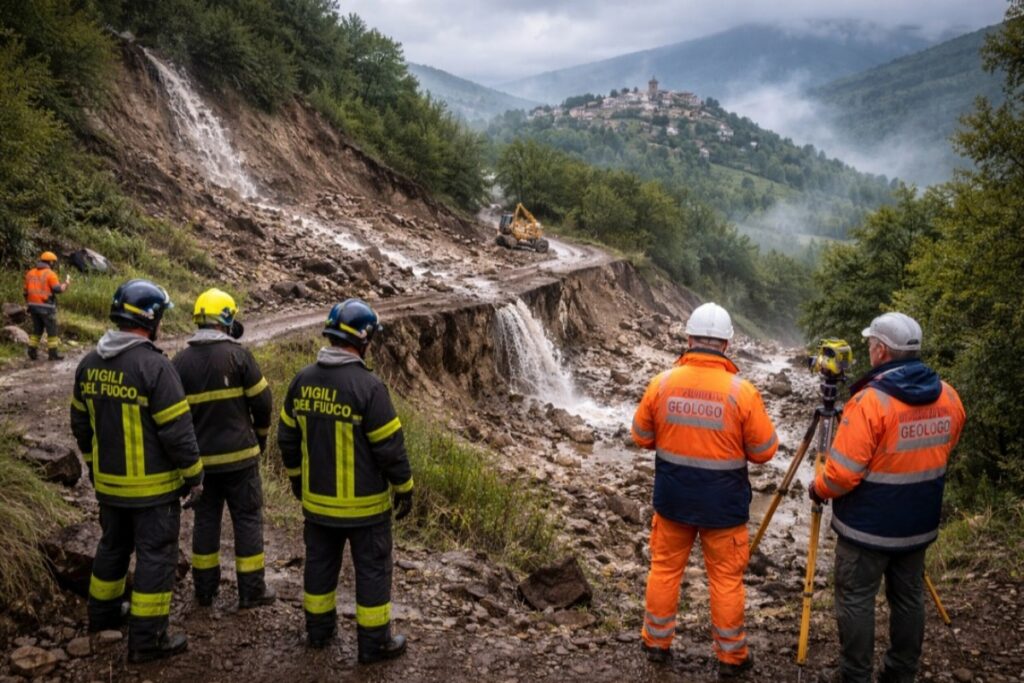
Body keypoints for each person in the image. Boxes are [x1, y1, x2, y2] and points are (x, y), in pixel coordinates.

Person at [809, 312, 966, 683]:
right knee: (909, 598)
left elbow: (843, 474)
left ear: (881, 351)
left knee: (857, 600)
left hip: (867, 529)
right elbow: (945, 447)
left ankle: (855, 675)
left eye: (869, 344)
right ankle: (900, 672)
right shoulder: (948, 394)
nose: (867, 349)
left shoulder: (870, 402)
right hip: (918, 524)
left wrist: (817, 488)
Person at [631, 302, 778, 679]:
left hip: (673, 499)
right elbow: (764, 452)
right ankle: (731, 657)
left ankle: (656, 644)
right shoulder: (741, 392)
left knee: (664, 570)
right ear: (727, 345)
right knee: (726, 581)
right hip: (723, 507)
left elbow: (641, 436)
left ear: (688, 338)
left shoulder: (661, 383)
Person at [70, 279, 204, 663]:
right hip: (154, 492)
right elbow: (178, 432)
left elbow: (81, 425)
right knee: (156, 557)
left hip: (110, 488)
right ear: (151, 318)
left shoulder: (89, 364)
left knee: (112, 547)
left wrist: (96, 469)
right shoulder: (154, 366)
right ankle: (148, 639)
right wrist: (195, 476)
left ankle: (102, 616)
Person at [278, 298, 413, 663]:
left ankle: (318, 634)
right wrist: (404, 487)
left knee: (319, 567)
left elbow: (286, 438)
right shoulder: (369, 388)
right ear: (364, 339)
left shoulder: (302, 381)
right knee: (372, 571)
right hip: (366, 509)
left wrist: (297, 480)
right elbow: (390, 447)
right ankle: (374, 645)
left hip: (318, 505)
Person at [172, 288, 275, 609]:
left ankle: (204, 590)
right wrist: (260, 438)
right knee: (246, 520)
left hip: (201, 464)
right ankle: (251, 590)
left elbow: (174, 416)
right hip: (241, 460)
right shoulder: (238, 356)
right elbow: (263, 402)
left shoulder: (180, 361)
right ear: (227, 319)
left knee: (205, 521)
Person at [24, 251, 70, 360]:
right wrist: (66, 284)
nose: (54, 264)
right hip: (46, 307)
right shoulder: (50, 274)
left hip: (33, 307)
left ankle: (32, 351)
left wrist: (30, 302)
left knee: (37, 330)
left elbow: (25, 292)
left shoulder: (30, 273)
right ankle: (53, 354)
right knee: (52, 331)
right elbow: (57, 289)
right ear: (50, 262)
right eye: (53, 262)